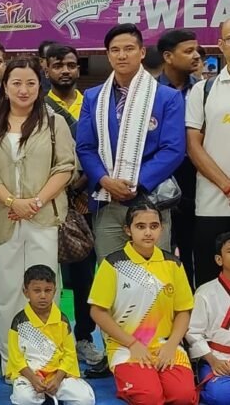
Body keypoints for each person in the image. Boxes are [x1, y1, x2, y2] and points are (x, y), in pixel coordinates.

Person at [0, 57, 76, 371]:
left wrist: (35, 202)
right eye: (16, 83)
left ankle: (46, 361)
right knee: (7, 292)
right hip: (3, 219)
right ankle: (14, 363)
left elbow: (65, 167)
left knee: (44, 290)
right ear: (5, 87)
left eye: (30, 83)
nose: (24, 90)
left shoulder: (54, 123)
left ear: (40, 85)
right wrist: (12, 202)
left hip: (43, 218)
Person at [76, 24, 185, 261]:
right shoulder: (93, 97)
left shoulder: (167, 97)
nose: (122, 55)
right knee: (111, 271)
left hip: (150, 198)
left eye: (129, 49)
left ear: (142, 52)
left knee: (153, 272)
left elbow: (173, 149)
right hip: (107, 199)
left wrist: (137, 184)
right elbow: (85, 147)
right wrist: (105, 180)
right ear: (107, 55)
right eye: (115, 50)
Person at [89, 202, 196, 405]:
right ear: (128, 230)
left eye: (154, 226)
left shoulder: (173, 264)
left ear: (161, 228)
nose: (148, 232)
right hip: (126, 347)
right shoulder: (113, 264)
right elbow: (97, 311)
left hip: (166, 345)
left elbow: (183, 310)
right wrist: (132, 344)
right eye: (140, 226)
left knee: (182, 397)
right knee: (150, 397)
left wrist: (172, 345)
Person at [43, 44, 103, 368]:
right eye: (58, 65)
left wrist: (83, 182)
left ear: (78, 68)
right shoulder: (39, 104)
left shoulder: (93, 103)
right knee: (46, 273)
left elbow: (101, 149)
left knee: (84, 276)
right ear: (46, 69)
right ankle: (48, 337)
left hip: (84, 203)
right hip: (46, 201)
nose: (65, 70)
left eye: (70, 64)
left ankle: (83, 337)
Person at [7, 265, 96, 405]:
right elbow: (16, 358)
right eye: (37, 290)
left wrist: (58, 379)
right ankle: (44, 396)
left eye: (48, 290)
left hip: (58, 376)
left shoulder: (62, 320)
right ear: (26, 292)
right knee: (24, 399)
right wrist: (33, 379)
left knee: (85, 399)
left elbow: (69, 354)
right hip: (30, 376)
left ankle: (49, 395)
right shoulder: (19, 322)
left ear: (55, 291)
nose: (43, 296)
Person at [187, 19, 230, 287]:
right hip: (212, 205)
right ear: (221, 45)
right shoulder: (203, 89)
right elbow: (193, 145)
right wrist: (227, 186)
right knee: (209, 282)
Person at [158, 29, 201, 288]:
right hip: (161, 179)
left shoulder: (204, 90)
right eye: (188, 51)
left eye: (197, 50)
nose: (196, 56)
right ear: (168, 57)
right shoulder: (150, 92)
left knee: (196, 247)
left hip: (200, 177)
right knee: (163, 247)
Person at [186, 232, 230, 405]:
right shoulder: (205, 293)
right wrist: (214, 361)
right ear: (219, 260)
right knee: (221, 395)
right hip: (217, 358)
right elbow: (193, 332)